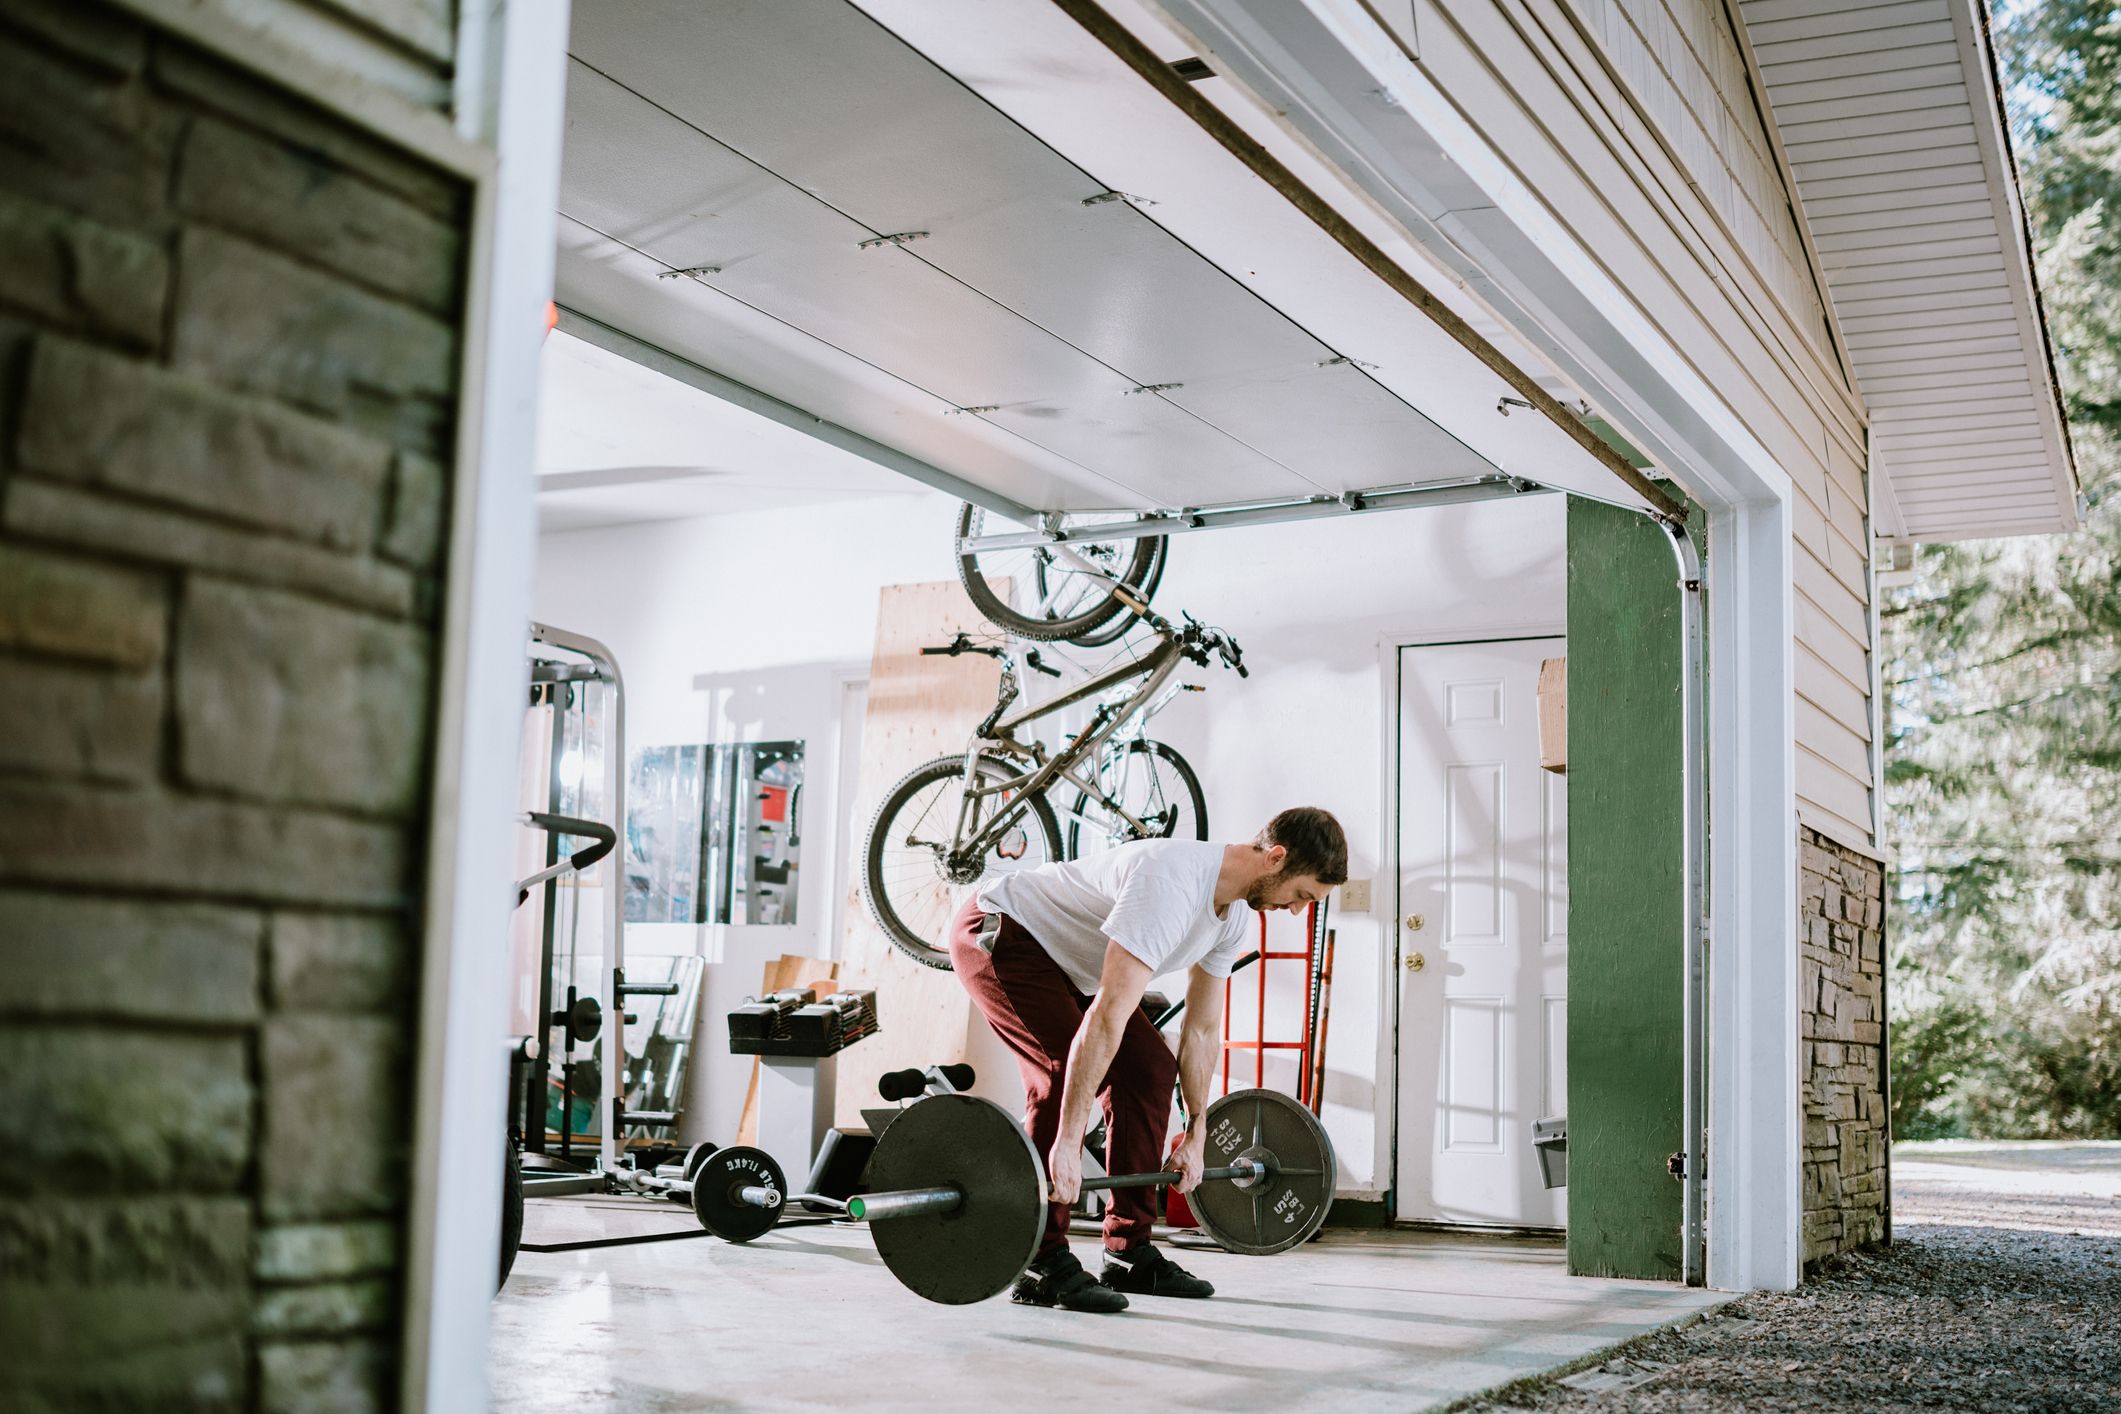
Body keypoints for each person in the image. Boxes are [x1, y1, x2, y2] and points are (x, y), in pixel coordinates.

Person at [949, 806, 1348, 1313]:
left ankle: (1128, 1249)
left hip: (1070, 967)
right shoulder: (1172, 882)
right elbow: (1109, 1013)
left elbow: (1202, 1030)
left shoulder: (1233, 917)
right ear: (1276, 858)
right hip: (1004, 932)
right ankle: (1039, 1260)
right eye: (1302, 895)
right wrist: (1070, 1139)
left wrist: (1197, 1130)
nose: (1296, 910)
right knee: (1057, 1069)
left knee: (1149, 1069)